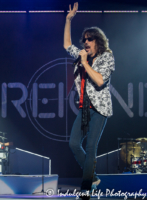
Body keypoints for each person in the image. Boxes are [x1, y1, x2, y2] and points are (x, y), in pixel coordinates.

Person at [63, 2, 115, 195]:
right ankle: (93, 177)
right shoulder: (81, 55)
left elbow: (100, 81)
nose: (86, 42)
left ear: (98, 41)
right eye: (84, 39)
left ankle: (85, 189)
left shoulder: (106, 57)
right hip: (84, 108)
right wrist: (68, 20)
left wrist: (85, 63)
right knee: (74, 144)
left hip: (100, 109)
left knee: (91, 146)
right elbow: (67, 44)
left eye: (90, 39)